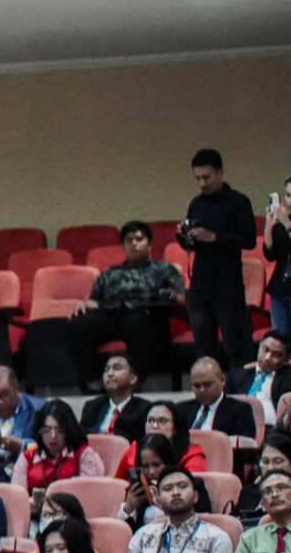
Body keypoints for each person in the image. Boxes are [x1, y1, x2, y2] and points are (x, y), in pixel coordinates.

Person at [70, 225, 188, 382]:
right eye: (129, 240)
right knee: (76, 326)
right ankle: (94, 380)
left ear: (149, 244)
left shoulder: (165, 269)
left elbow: (181, 298)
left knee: (137, 323)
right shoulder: (109, 273)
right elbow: (95, 300)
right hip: (111, 315)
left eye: (139, 239)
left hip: (145, 315)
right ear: (123, 246)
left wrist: (169, 297)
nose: (134, 244)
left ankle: (134, 380)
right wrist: (86, 304)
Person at [181, 148, 260, 365]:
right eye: (198, 178)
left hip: (228, 283)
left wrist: (214, 237)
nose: (202, 183)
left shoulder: (238, 202)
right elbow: (191, 244)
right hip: (200, 282)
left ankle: (241, 390)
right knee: (203, 345)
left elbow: (249, 239)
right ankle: (206, 388)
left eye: (206, 177)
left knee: (236, 343)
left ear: (220, 173)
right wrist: (184, 236)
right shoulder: (196, 204)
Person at [123, 469, 233, 553]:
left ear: (196, 496)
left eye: (183, 486)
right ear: (158, 499)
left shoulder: (216, 537)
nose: (175, 493)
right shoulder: (144, 535)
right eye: (168, 489)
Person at [18, 400, 104, 492]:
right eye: (47, 430)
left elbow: (90, 492)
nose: (53, 436)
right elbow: (18, 496)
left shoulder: (84, 455)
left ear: (69, 430)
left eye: (60, 430)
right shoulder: (27, 458)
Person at [181, 356, 260, 441]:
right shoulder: (181, 410)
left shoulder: (240, 410)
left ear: (222, 380)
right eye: (197, 386)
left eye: (207, 384)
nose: (202, 390)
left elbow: (245, 446)